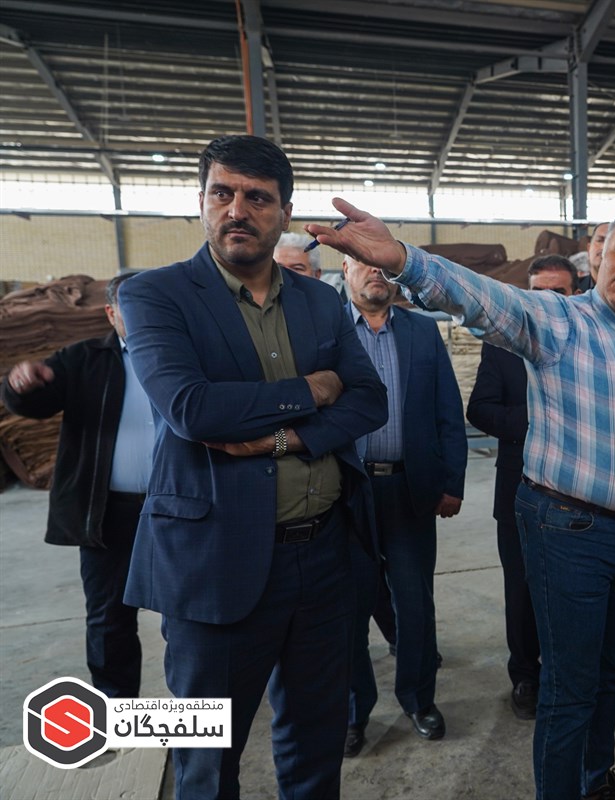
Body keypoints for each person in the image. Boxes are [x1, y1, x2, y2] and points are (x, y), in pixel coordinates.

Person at [308, 203, 615, 800]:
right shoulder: (559, 320)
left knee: (612, 672)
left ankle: (596, 781)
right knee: (570, 687)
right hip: (570, 529)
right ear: (599, 256)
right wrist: (403, 259)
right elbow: (480, 298)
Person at [118, 135, 388, 800]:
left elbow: (369, 399)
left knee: (316, 740)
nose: (237, 210)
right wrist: (314, 389)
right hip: (214, 560)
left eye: (258, 198)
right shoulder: (156, 295)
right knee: (206, 758)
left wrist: (280, 439)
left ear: (284, 213)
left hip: (323, 555)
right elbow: (192, 409)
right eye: (223, 193)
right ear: (201, 201)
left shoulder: (320, 301)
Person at [2, 273, 152, 699]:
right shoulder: (84, 358)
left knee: (188, 614)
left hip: (180, 508)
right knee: (109, 617)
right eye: (132, 308)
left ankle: (190, 708)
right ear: (111, 313)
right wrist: (20, 385)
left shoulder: (187, 357)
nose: (145, 316)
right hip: (109, 512)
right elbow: (35, 403)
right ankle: (116, 707)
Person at [341, 254, 467, 756]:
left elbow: (447, 411)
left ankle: (419, 698)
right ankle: (354, 711)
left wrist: (452, 482)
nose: (374, 271)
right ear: (344, 271)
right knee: (349, 608)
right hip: (346, 493)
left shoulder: (421, 332)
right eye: (361, 263)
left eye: (381, 264)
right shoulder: (326, 331)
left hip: (409, 489)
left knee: (415, 603)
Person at [466, 254, 581, 721]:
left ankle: (568, 673)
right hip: (519, 492)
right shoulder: (502, 346)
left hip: (582, 495)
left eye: (559, 292)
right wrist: (540, 420)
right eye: (539, 293)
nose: (548, 301)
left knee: (574, 589)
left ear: (576, 294)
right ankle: (526, 675)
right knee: (522, 588)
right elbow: (479, 410)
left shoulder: (593, 349)